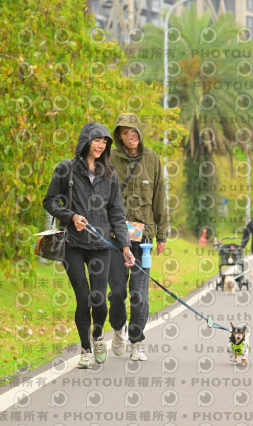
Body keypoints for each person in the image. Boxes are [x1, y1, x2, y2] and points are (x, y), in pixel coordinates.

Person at [43, 122, 135, 369]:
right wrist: (71, 216)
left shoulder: (110, 174)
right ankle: (85, 349)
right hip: (72, 244)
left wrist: (125, 246)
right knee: (83, 298)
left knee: (99, 301)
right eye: (96, 140)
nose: (100, 145)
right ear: (86, 141)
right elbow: (49, 201)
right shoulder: (66, 169)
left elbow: (117, 213)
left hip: (100, 245)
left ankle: (97, 336)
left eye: (104, 142)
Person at [108, 113, 169, 361]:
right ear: (119, 136)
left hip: (144, 240)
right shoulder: (109, 158)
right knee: (117, 292)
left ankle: (136, 342)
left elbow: (160, 196)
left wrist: (162, 234)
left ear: (140, 133)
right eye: (124, 133)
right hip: (114, 236)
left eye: (133, 132)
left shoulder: (152, 158)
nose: (130, 136)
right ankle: (118, 328)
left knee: (139, 294)